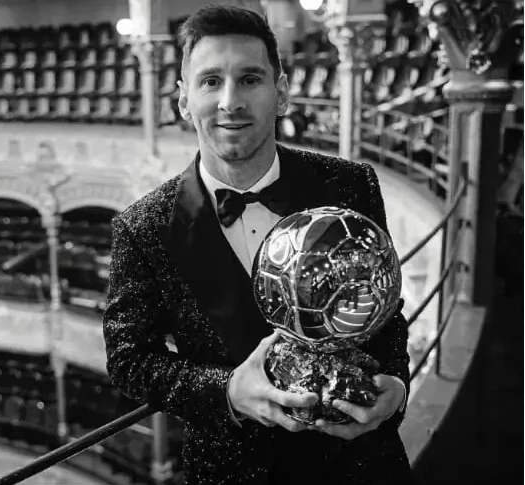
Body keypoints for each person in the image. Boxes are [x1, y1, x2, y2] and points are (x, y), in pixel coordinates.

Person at [103, 5, 413, 484]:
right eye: (210, 81)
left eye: (250, 79)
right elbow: (129, 361)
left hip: (362, 466)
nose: (230, 102)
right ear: (183, 100)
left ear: (281, 92)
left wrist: (395, 385)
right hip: (231, 472)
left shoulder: (351, 185)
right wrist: (226, 390)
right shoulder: (142, 227)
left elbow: (384, 312)